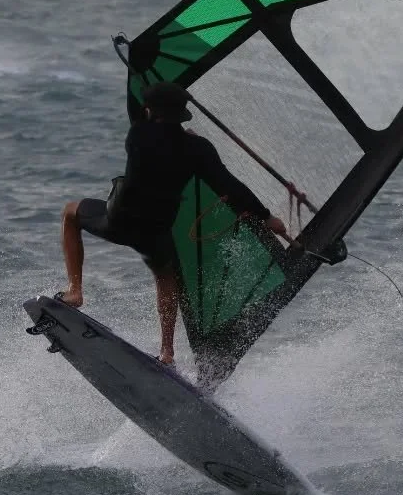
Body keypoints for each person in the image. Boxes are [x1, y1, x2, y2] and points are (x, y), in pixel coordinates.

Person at [58, 81, 289, 365]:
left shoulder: (138, 136)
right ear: (182, 113)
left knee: (70, 213)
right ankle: (167, 352)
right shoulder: (198, 149)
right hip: (155, 229)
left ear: (149, 111)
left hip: (121, 219)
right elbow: (229, 186)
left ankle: (75, 291)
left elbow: (149, 127)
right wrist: (266, 217)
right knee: (165, 277)